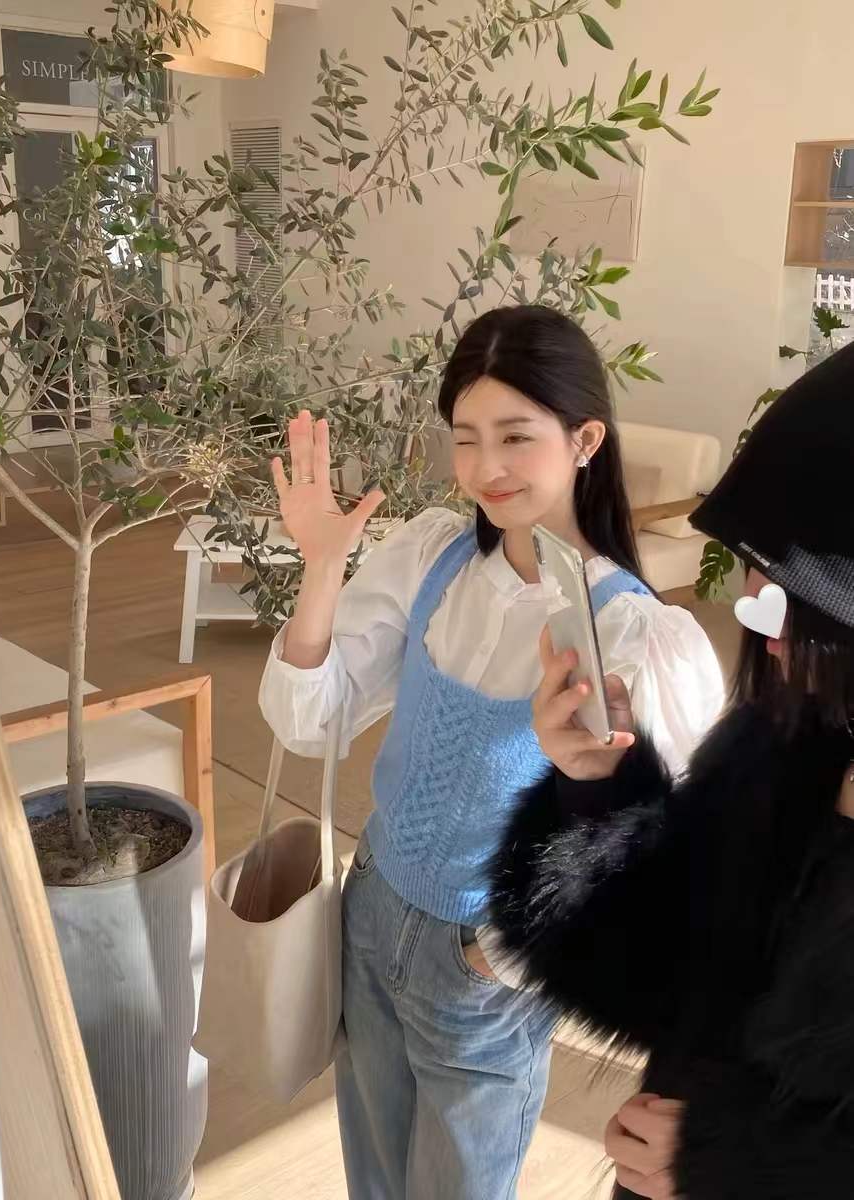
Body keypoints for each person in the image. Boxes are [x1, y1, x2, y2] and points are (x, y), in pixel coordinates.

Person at [259, 305, 724, 1200]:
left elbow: (676, 854)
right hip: (371, 911)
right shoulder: (433, 558)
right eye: (465, 438)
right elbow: (308, 720)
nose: (485, 469)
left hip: (488, 969)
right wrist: (321, 566)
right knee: (373, 1179)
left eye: (516, 436)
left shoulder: (639, 636)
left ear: (585, 439)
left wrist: (504, 953)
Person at [489, 340, 854, 1199]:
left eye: (788, 597)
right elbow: (653, 979)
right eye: (754, 581)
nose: (756, 619)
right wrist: (597, 792)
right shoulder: (785, 740)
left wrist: (743, 1157)